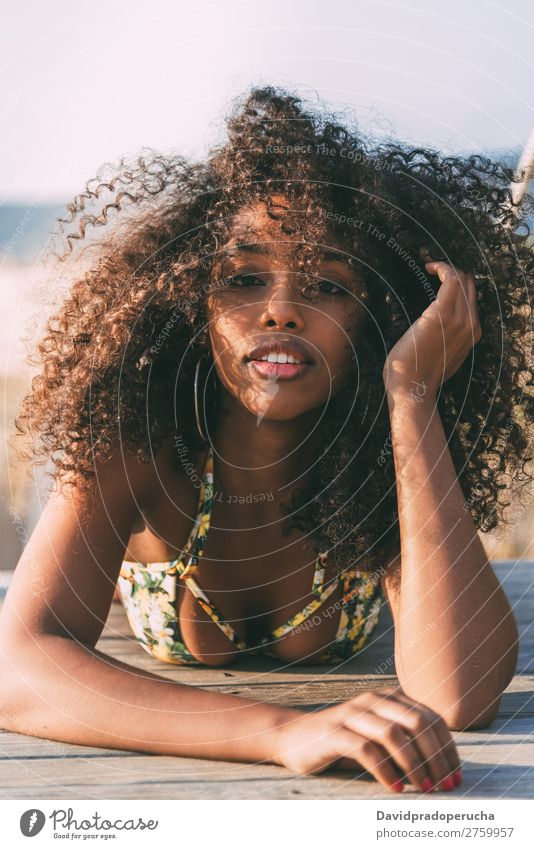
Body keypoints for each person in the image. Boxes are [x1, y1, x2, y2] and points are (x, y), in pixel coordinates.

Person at [1, 86, 530, 794]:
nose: (280, 310)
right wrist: (282, 730)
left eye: (327, 285)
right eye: (244, 278)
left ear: (381, 313)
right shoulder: (139, 443)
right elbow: (17, 668)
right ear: (194, 299)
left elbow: (460, 693)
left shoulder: (380, 456)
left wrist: (410, 393)